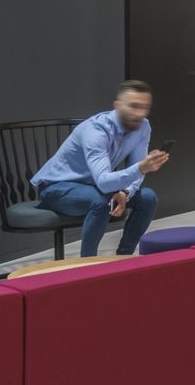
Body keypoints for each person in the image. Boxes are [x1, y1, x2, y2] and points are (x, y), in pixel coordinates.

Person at [30, 80, 171, 257]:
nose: (139, 113)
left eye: (145, 107)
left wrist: (125, 192)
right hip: (56, 187)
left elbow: (135, 168)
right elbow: (105, 183)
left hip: (93, 186)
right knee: (101, 201)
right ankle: (88, 265)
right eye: (134, 106)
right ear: (117, 105)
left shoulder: (142, 126)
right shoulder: (96, 130)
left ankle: (123, 258)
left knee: (147, 198)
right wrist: (142, 168)